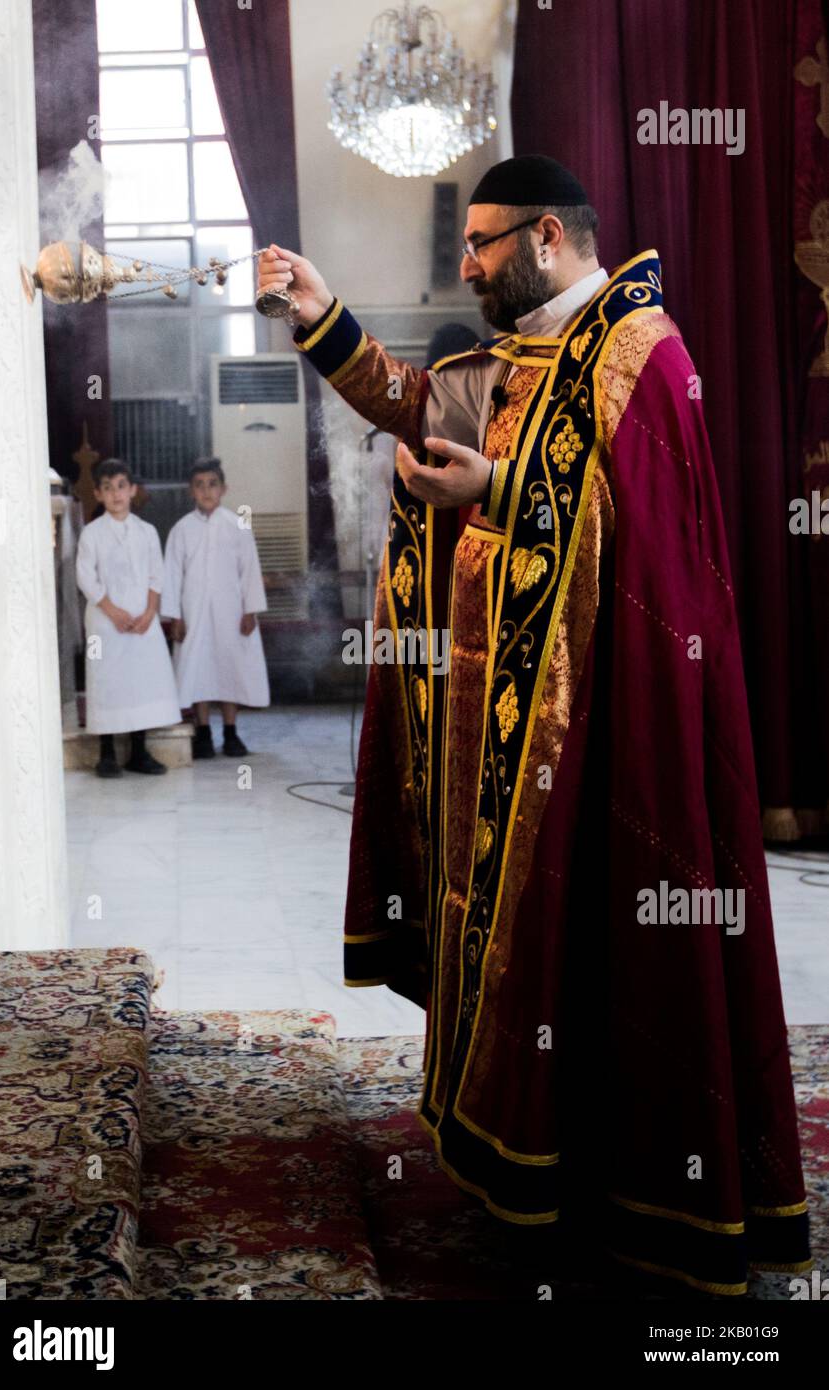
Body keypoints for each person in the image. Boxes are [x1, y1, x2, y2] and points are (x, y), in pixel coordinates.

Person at [256, 153, 812, 1295]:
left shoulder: (639, 356)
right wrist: (321, 318)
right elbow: (422, 405)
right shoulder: (519, 357)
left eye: (480, 244)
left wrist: (492, 496)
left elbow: (646, 537)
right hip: (497, 730)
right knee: (510, 947)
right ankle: (518, 1152)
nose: (464, 264)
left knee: (597, 947)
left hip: (604, 736)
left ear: (547, 240)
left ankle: (624, 1189)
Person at [75, 458, 181, 777]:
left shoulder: (147, 532)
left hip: (141, 620)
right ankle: (106, 754)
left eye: (122, 486)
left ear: (133, 490)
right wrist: (112, 610)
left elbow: (156, 575)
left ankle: (138, 751)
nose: (116, 494)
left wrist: (150, 612)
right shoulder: (92, 534)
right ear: (98, 494)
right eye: (108, 488)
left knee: (139, 683)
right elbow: (85, 577)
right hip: (106, 620)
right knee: (107, 683)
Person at [160, 458, 270, 758]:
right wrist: (175, 616)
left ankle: (231, 733)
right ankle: (204, 732)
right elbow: (171, 574)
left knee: (228, 668)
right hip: (193, 612)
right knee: (198, 670)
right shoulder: (181, 530)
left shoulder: (237, 526)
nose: (206, 491)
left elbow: (249, 570)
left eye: (212, 484)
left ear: (223, 489)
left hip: (231, 612)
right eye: (199, 485)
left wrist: (251, 610)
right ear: (190, 491)